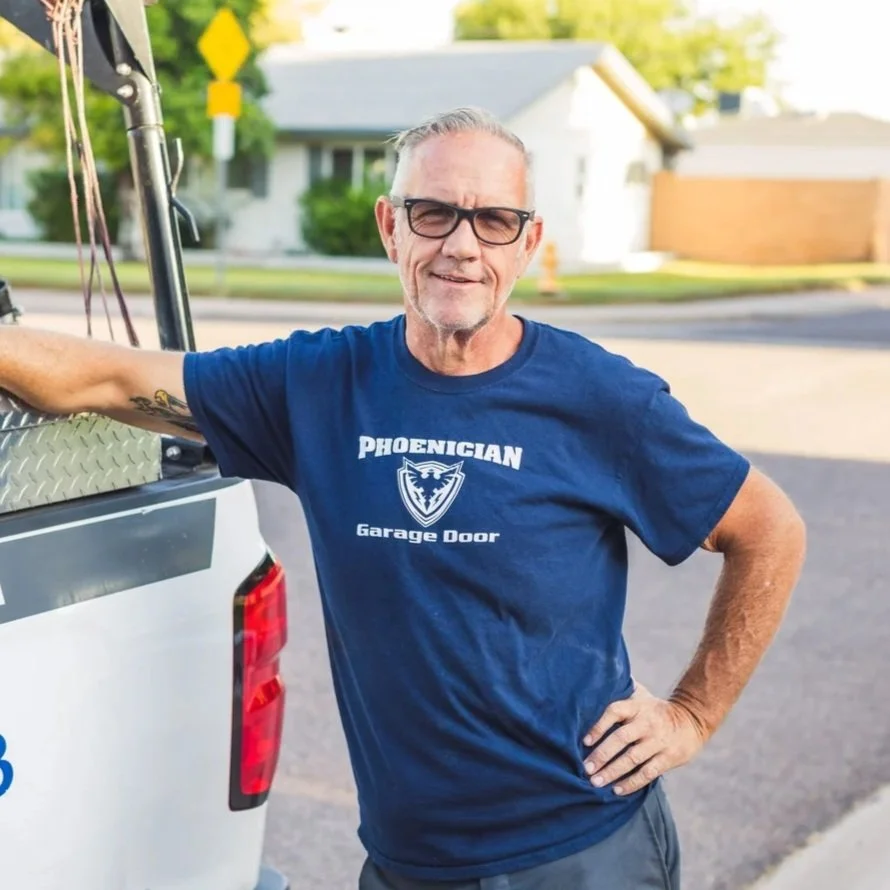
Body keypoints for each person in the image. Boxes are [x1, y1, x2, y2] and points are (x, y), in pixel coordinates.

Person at [0, 107, 806, 889]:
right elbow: (105, 376)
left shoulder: (599, 399)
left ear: (528, 243)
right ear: (390, 226)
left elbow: (769, 528)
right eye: (433, 213)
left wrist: (692, 714)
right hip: (406, 861)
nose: (460, 245)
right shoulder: (316, 385)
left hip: (579, 851)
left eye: (493, 220)